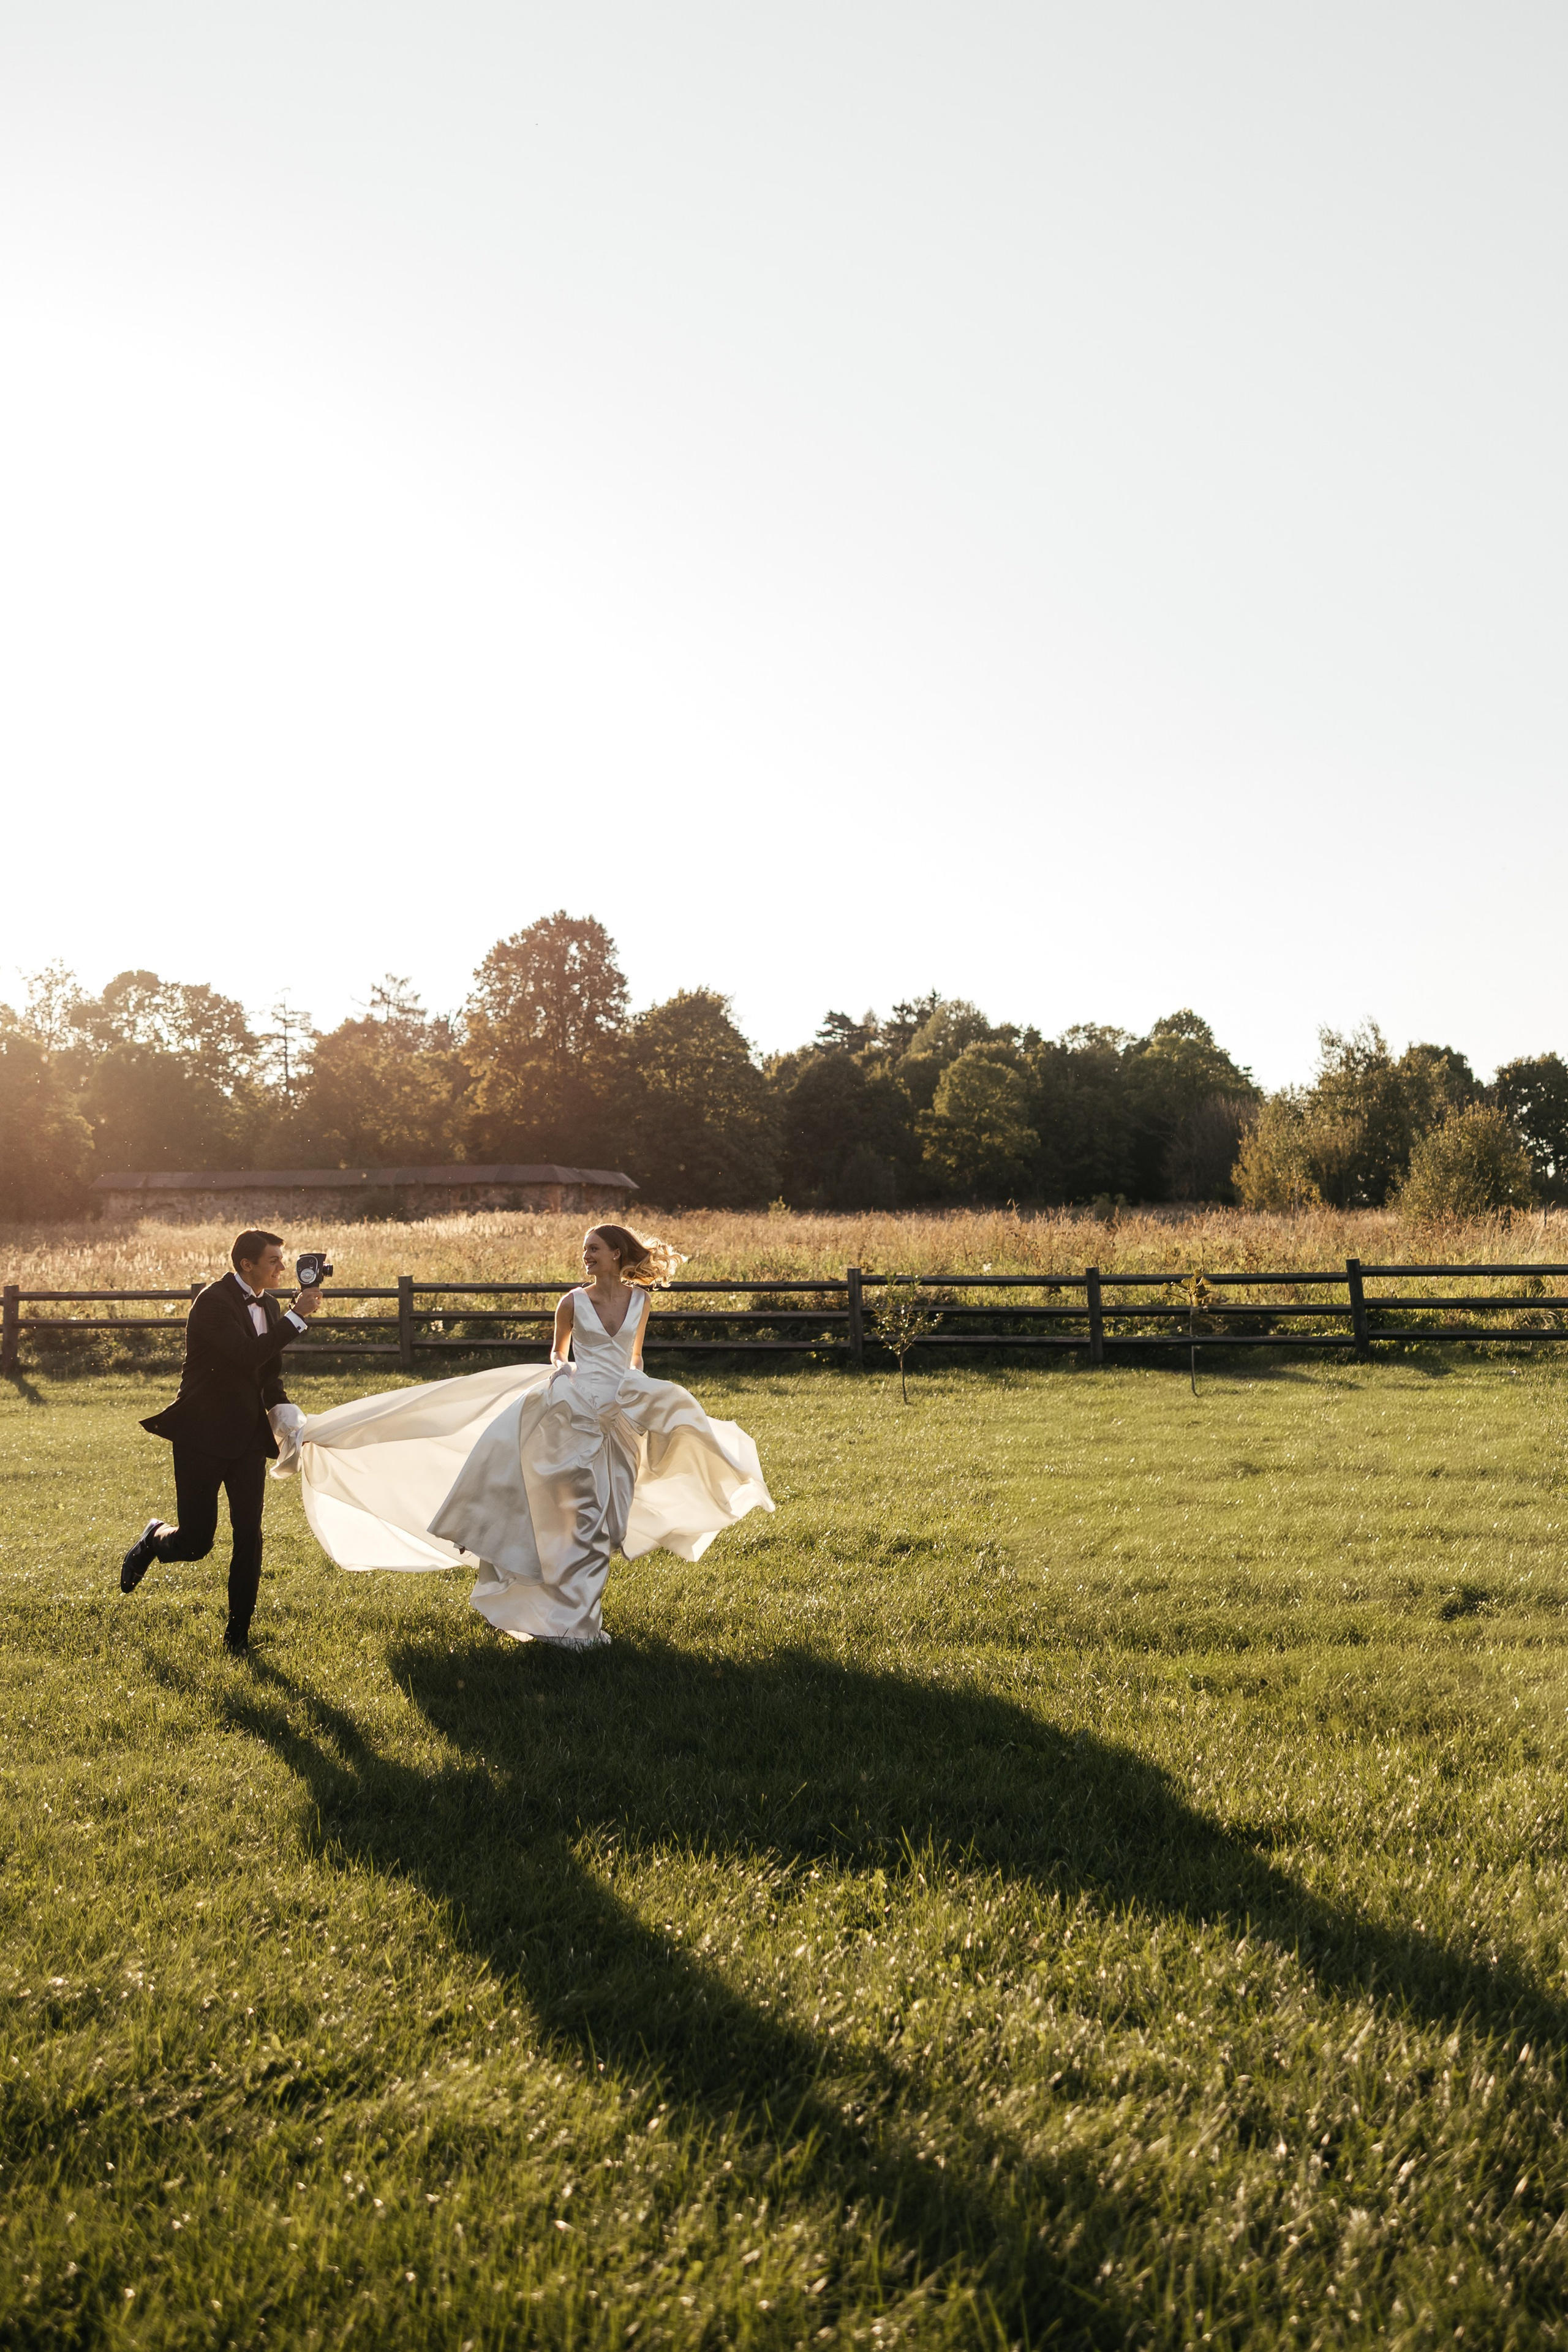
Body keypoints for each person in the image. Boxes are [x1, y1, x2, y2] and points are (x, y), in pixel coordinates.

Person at [279, 1224, 772, 1648]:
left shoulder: (640, 1300)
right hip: (571, 1415)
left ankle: (571, 1619)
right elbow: (558, 1355)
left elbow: (635, 1357)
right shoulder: (572, 1302)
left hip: (621, 1417)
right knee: (575, 1522)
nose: (587, 1255)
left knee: (606, 1525)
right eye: (585, 1249)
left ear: (617, 1255)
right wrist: (566, 1377)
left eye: (594, 1248)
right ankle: (576, 1627)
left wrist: (635, 1392)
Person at [119, 1229, 323, 1654]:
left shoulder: (268, 1305)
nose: (282, 1268)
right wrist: (297, 1319)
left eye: (282, 1259)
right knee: (197, 1543)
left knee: (250, 1533)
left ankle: (237, 1638)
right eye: (273, 1261)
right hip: (201, 1433)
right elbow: (246, 1355)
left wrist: (286, 1417)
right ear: (246, 1264)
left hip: (249, 1436)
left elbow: (266, 1373)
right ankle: (154, 1537)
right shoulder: (212, 1303)